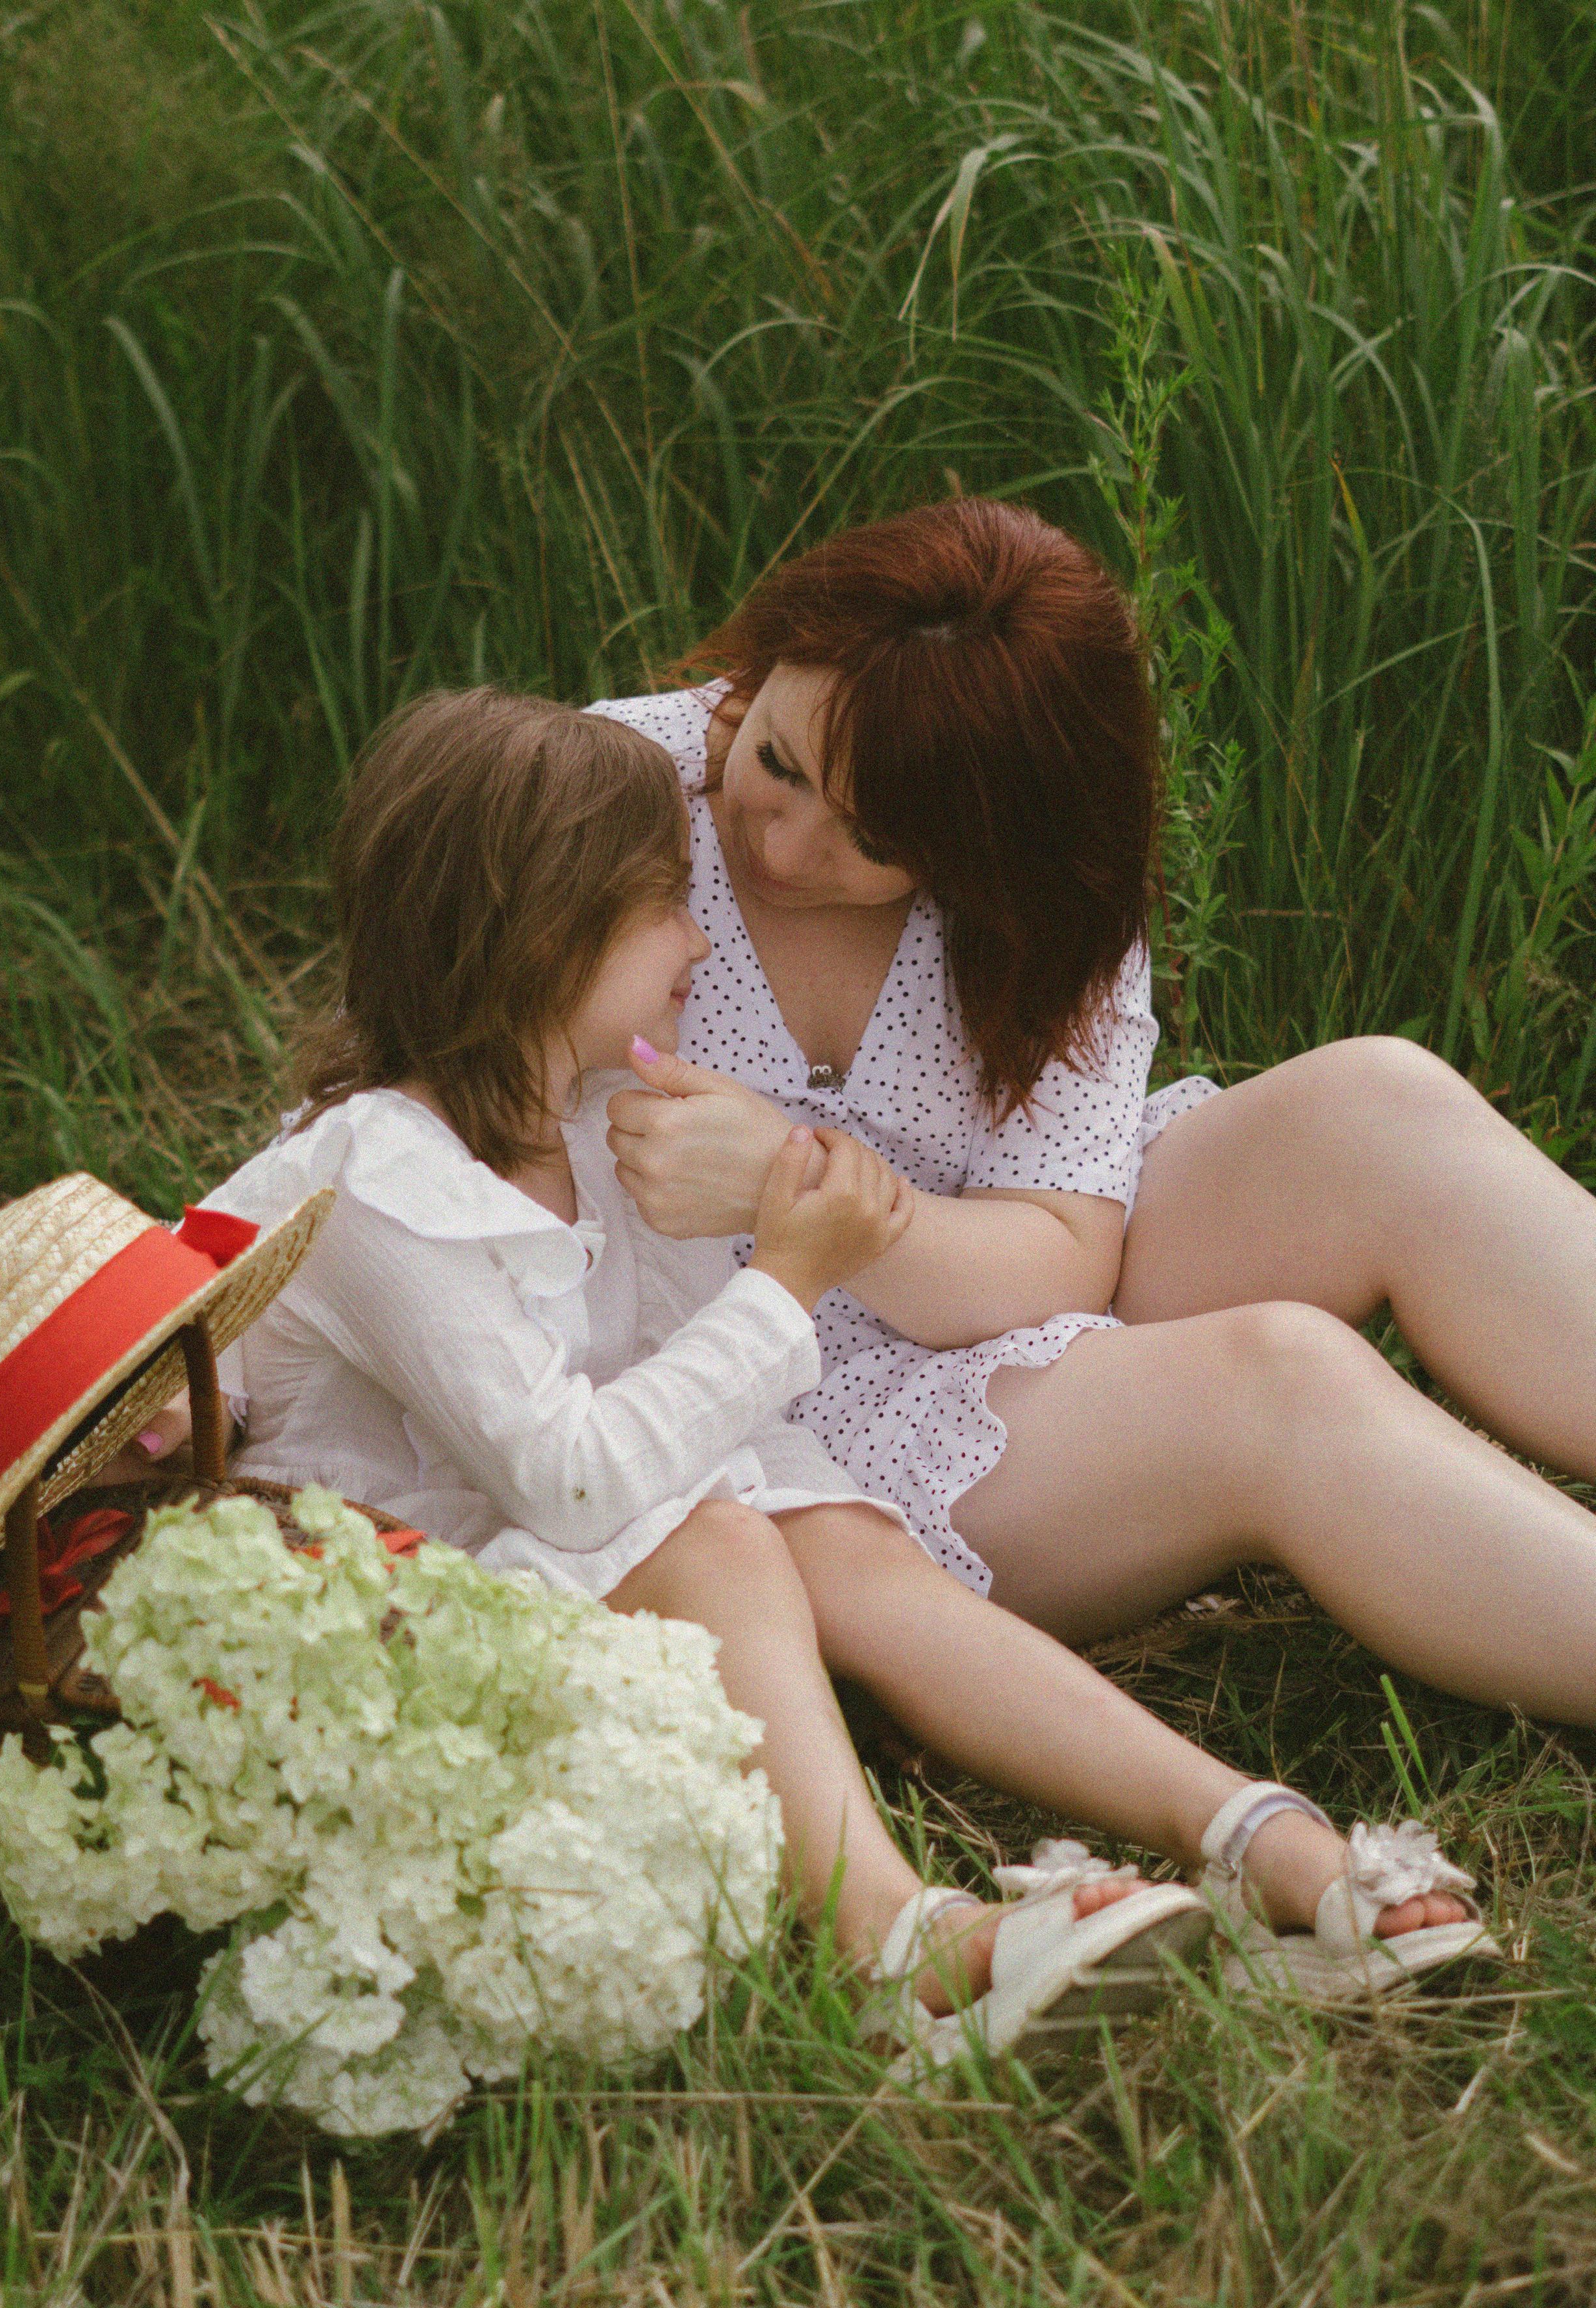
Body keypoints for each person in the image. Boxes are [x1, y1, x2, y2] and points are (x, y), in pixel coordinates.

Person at [188, 687, 1488, 2065]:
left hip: (581, 1558)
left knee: (841, 1541)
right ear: (547, 938)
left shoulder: (610, 1123)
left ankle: (1250, 1832)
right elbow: (568, 1480)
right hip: (412, 1634)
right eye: (662, 906)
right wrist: (789, 1279)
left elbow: (721, 1424)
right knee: (723, 1542)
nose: (702, 936)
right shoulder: (376, 1180)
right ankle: (900, 1949)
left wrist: (845, 1533)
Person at [586, 495, 1596, 1730]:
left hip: (1005, 1283)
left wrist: (788, 1183)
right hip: (767, 1410)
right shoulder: (599, 798)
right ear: (776, 651)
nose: (787, 849)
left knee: (1378, 1109)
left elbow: (1063, 1255)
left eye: (876, 838)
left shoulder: (1044, 896)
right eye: (779, 763)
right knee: (1282, 1382)